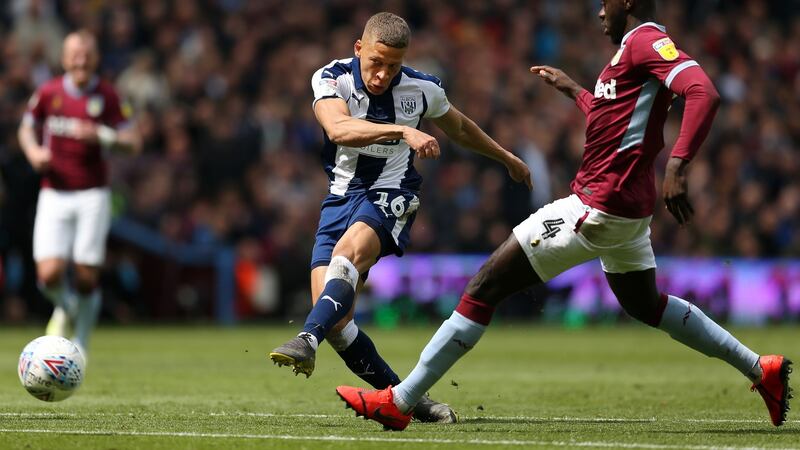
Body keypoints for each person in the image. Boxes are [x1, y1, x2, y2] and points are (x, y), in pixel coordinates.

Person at [335, 0, 792, 430]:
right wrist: (575, 91)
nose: (598, 11)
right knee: (645, 304)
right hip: (626, 214)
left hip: (596, 205)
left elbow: (703, 92)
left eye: (605, 2)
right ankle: (759, 368)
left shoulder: (645, 42)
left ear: (628, 1)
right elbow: (613, 119)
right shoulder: (629, 54)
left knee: (484, 286)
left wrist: (678, 163)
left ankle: (400, 402)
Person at [268, 12, 532, 423]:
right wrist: (402, 131)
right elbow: (338, 129)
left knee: (346, 258)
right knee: (338, 321)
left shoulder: (422, 88)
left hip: (393, 194)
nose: (382, 75)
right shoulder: (331, 78)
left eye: (393, 65)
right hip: (340, 199)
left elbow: (458, 127)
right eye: (376, 62)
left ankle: (305, 339)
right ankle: (411, 401)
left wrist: (506, 157)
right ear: (359, 49)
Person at [17, 30, 141, 359]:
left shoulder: (108, 96)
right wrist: (32, 152)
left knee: (87, 275)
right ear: (63, 58)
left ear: (96, 59)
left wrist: (102, 135)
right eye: (74, 53)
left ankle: (81, 343)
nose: (80, 59)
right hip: (54, 192)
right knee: (48, 273)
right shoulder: (48, 93)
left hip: (92, 194)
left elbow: (134, 141)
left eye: (86, 53)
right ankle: (65, 307)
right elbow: (26, 127)